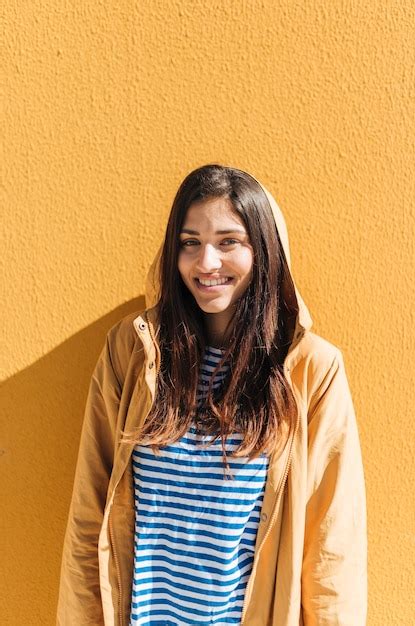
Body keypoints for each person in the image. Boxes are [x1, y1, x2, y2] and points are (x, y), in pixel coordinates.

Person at [57, 164, 367, 626]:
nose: (206, 263)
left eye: (228, 242)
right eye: (190, 243)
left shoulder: (309, 371)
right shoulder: (133, 352)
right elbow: (90, 511)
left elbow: (331, 547)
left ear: (263, 251)